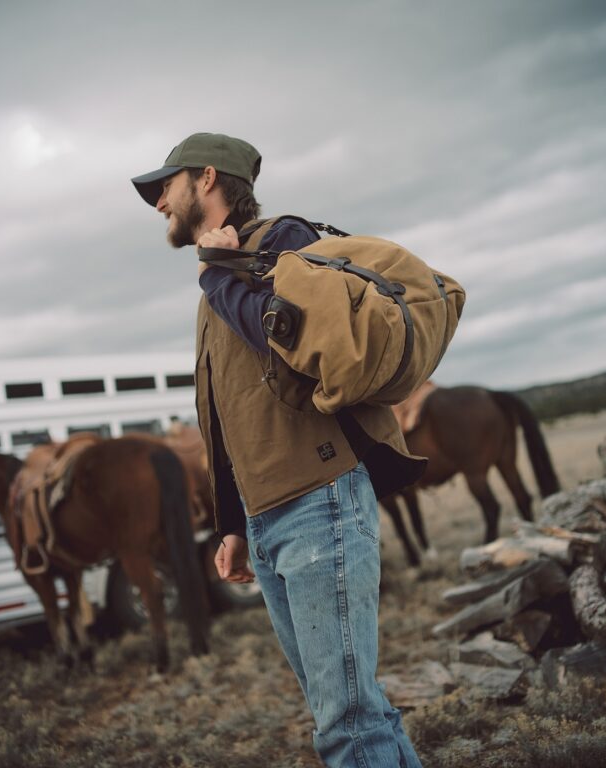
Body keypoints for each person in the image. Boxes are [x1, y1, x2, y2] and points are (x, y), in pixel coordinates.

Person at [132, 132, 426, 768]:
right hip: (269, 520)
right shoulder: (218, 280)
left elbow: (299, 349)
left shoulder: (286, 243)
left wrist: (221, 276)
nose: (157, 201)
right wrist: (234, 525)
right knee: (353, 712)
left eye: (166, 184)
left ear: (207, 179)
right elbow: (232, 418)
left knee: (345, 725)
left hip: (320, 501)